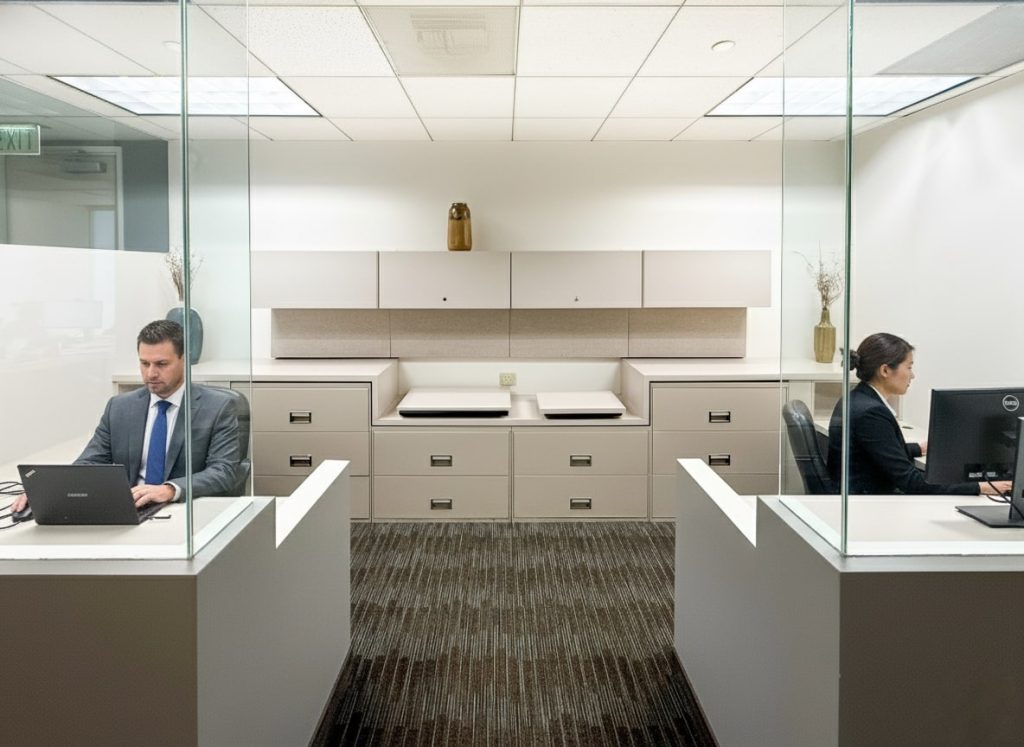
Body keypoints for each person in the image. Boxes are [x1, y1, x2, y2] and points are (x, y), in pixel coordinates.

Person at [12, 320, 241, 513]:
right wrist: (50, 491)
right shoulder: (120, 407)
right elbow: (91, 461)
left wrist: (169, 489)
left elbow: (223, 472)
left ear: (183, 360)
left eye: (162, 364)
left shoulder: (218, 407)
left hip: (183, 511)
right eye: (144, 363)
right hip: (130, 510)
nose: (151, 373)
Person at [827, 332, 1011, 496]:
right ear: (885, 370)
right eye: (909, 367)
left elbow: (879, 452)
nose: (912, 375)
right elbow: (912, 484)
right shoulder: (872, 413)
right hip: (869, 506)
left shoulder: (857, 398)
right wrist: (980, 487)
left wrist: (920, 448)